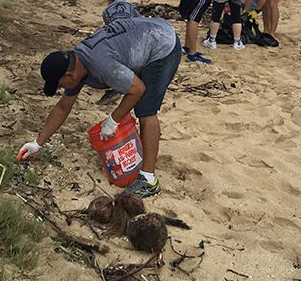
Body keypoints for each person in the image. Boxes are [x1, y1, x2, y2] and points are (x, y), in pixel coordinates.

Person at [18, 16, 182, 198]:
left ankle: (149, 181)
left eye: (60, 86)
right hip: (145, 37)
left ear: (68, 75)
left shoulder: (101, 65)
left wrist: (113, 120)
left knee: (145, 109)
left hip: (162, 44)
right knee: (137, 99)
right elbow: (62, 108)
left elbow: (137, 89)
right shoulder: (77, 62)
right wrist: (37, 143)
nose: (61, 90)